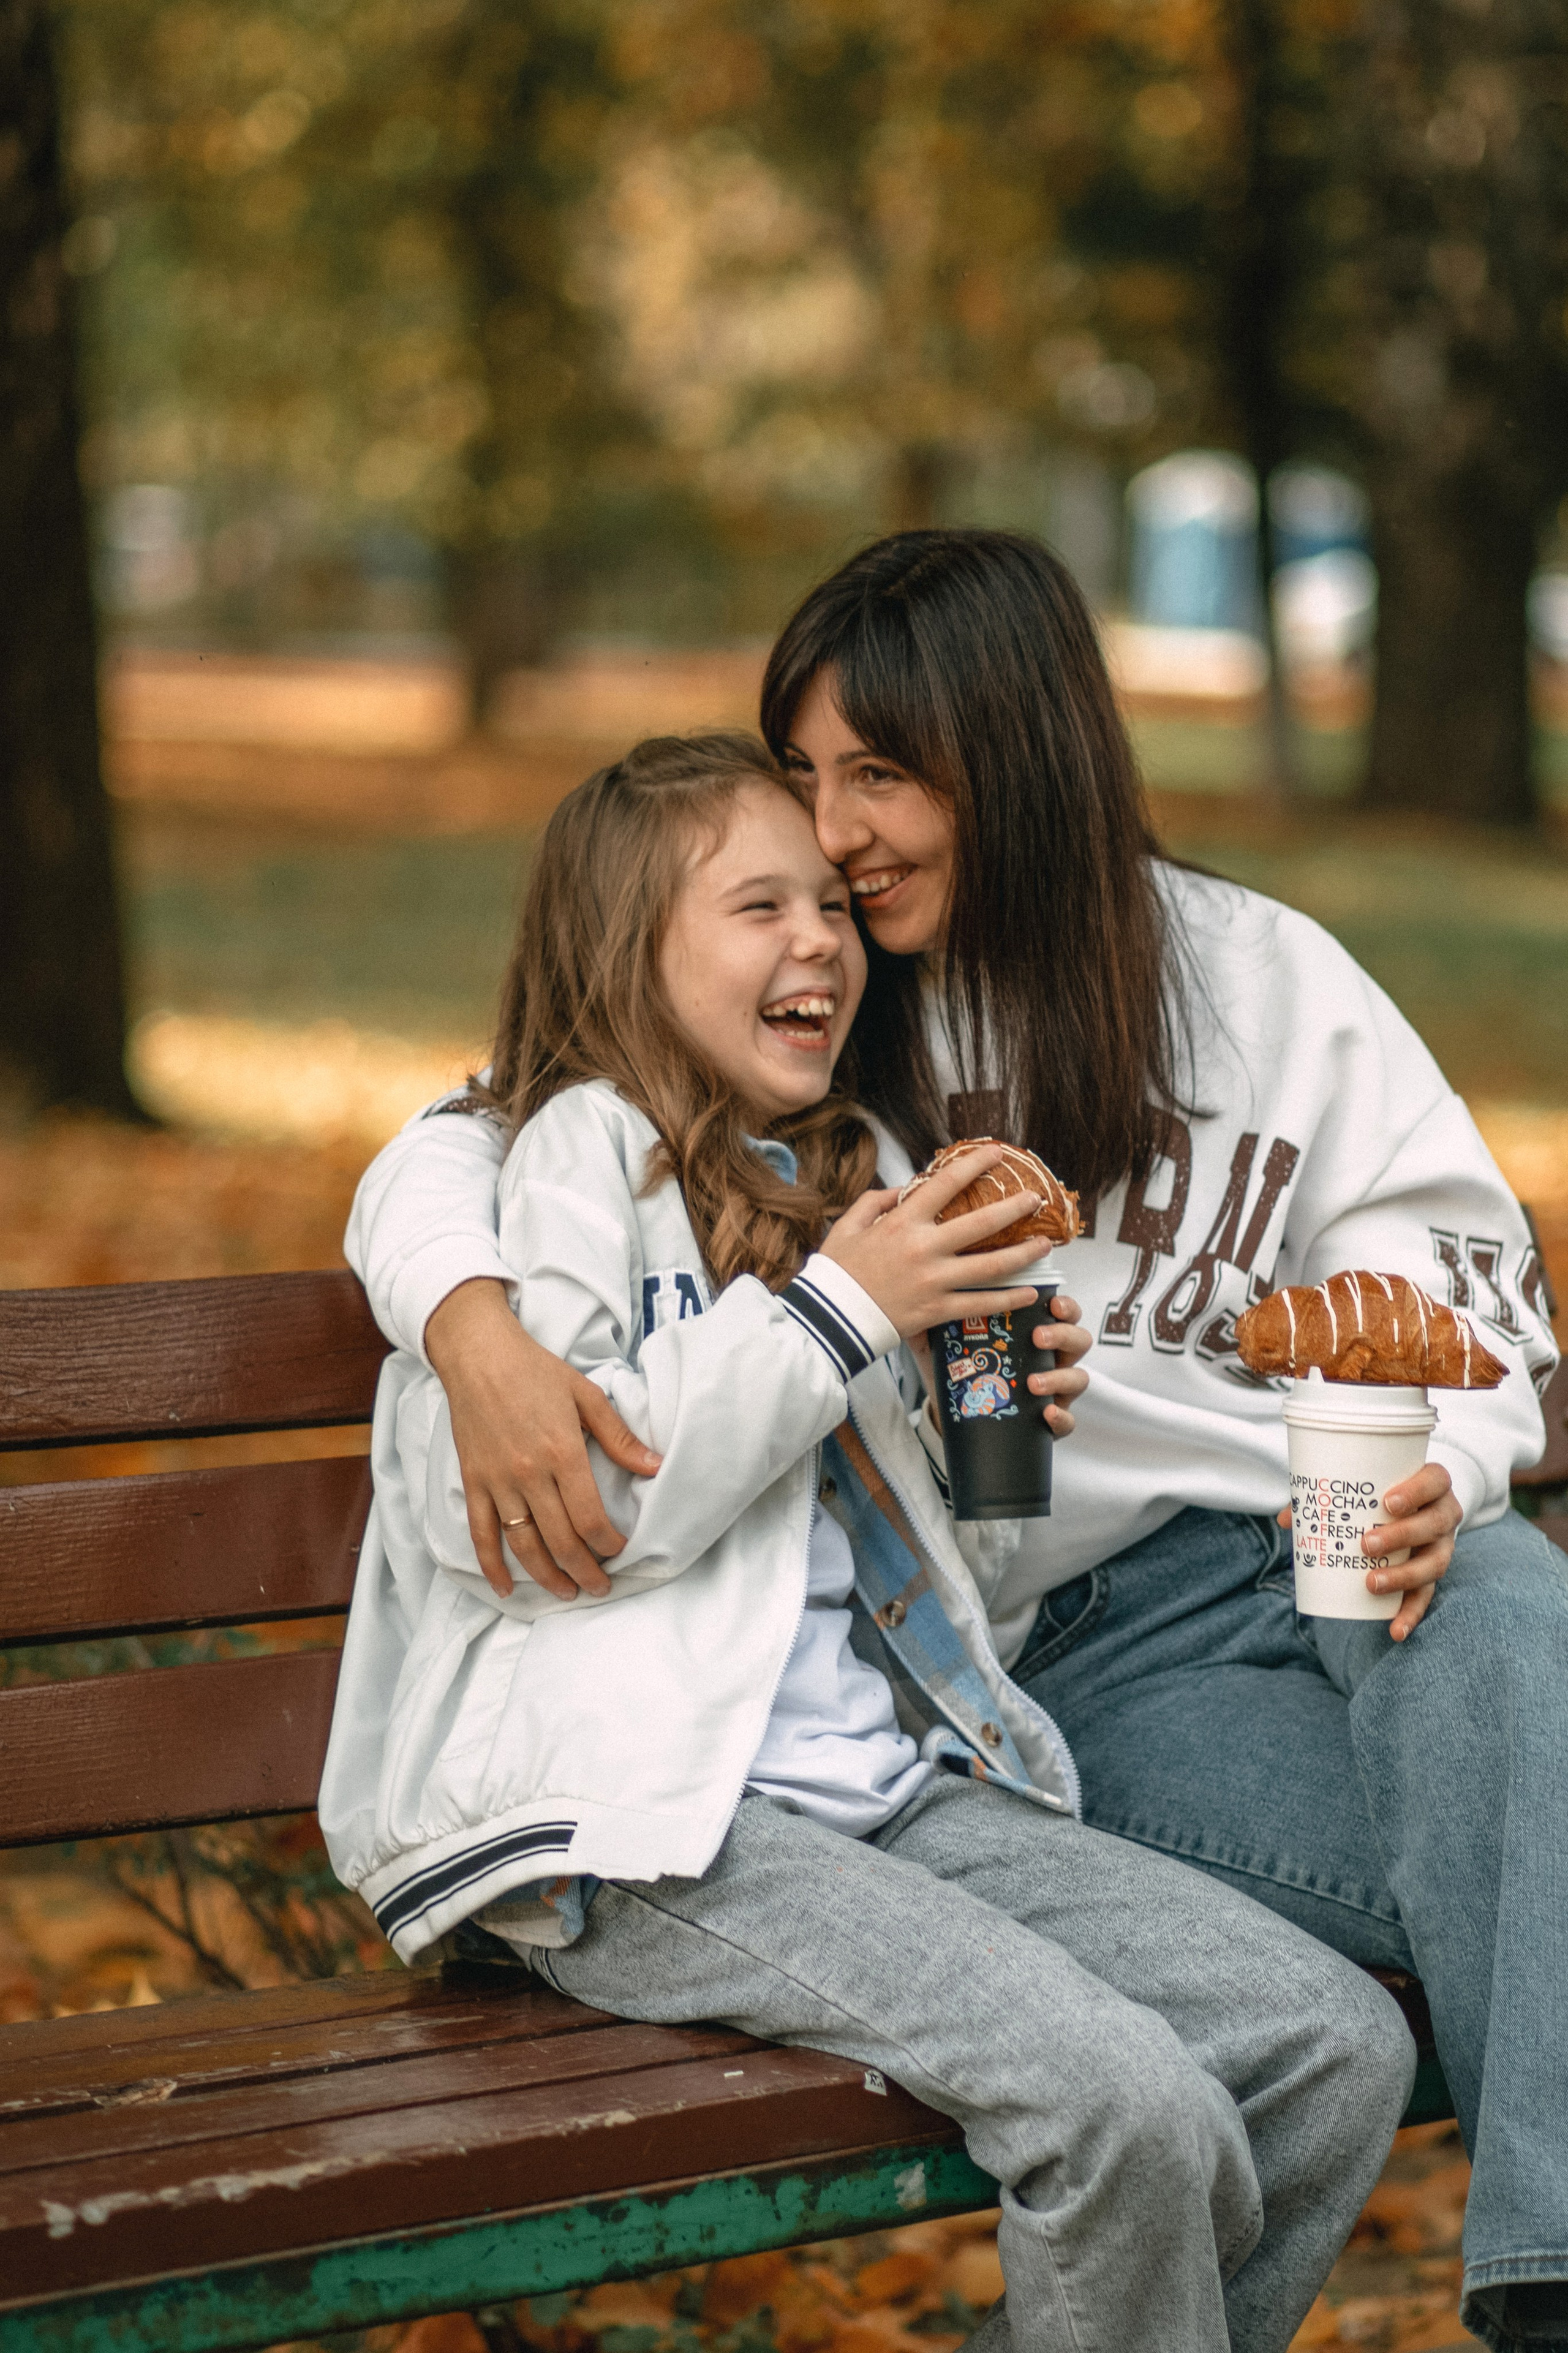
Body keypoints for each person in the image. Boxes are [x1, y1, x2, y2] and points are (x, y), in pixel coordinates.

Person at [345, 535, 1566, 2353]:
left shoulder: (1257, 974)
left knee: (1513, 1605)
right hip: (1036, 1651)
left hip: (1295, 1581)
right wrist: (466, 1315)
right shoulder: (804, 1021)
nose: (830, 847)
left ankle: (1546, 2281)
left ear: (1014, 754)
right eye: (808, 779)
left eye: (877, 776)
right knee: (1463, 1905)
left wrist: (1443, 1461)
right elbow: (497, 1124)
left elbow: (1465, 1288)